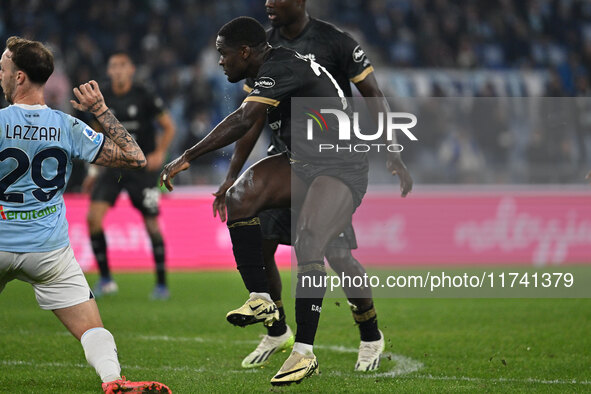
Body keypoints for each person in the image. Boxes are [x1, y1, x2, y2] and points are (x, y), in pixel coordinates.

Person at [161, 17, 412, 386]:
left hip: (340, 165)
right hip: (300, 161)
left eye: (223, 54)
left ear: (244, 52)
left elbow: (243, 119)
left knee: (319, 247)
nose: (219, 62)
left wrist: (188, 155)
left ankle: (310, 351)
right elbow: (253, 120)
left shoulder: (287, 62)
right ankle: (262, 299)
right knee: (240, 199)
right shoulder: (270, 62)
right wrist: (230, 176)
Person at [0, 36, 170, 393]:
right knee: (93, 329)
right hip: (49, 253)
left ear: (19, 77)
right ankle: (113, 381)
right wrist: (102, 111)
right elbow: (136, 158)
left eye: (3, 69)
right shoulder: (67, 126)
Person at [82, 52, 176, 299]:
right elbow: (96, 135)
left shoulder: (144, 94)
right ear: (109, 71)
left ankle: (161, 284)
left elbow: (169, 126)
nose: (118, 70)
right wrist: (92, 170)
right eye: (113, 66)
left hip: (143, 169)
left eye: (123, 65)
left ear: (131, 69)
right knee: (93, 219)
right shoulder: (103, 99)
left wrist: (160, 153)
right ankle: (105, 280)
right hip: (113, 168)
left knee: (152, 224)